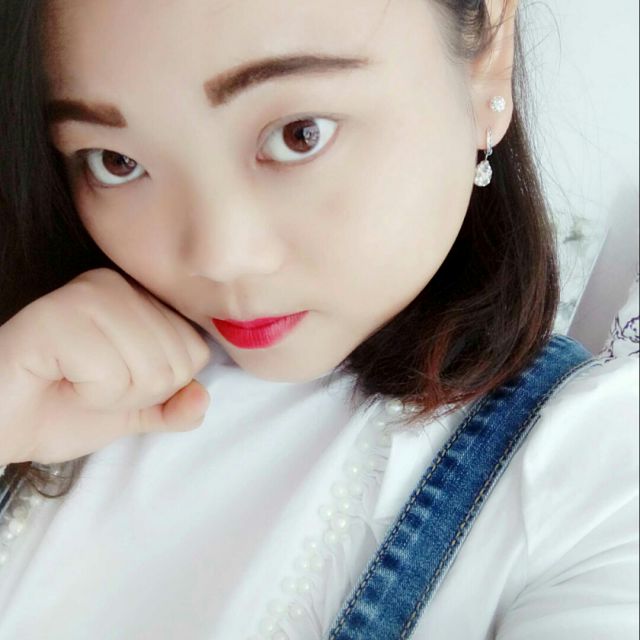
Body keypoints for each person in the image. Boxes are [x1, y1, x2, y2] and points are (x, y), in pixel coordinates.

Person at [0, 0, 637, 638]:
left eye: (298, 134)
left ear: (487, 57)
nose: (219, 257)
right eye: (116, 161)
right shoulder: (34, 368)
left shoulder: (595, 481)